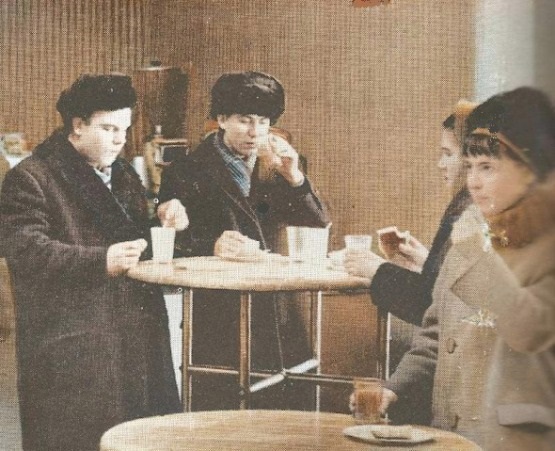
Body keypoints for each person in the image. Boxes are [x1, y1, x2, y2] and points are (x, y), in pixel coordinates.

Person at [0, 74, 188, 451]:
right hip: (73, 341)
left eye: (124, 129)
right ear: (77, 126)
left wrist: (165, 222)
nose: (119, 140)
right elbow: (26, 252)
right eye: (108, 129)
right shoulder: (31, 177)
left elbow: (134, 240)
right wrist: (100, 261)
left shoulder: (123, 173)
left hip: (132, 334)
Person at [379, 87, 555, 450]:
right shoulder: (474, 226)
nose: (472, 181)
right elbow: (436, 335)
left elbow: (528, 330)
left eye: (488, 167)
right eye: (471, 165)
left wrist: (475, 251)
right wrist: (393, 390)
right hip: (453, 435)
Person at [158, 71, 330, 409]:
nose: (255, 132)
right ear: (221, 119)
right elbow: (167, 243)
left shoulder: (278, 166)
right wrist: (211, 246)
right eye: (245, 120)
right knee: (222, 410)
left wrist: (295, 177)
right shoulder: (186, 170)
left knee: (284, 412)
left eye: (263, 122)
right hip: (219, 314)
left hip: (277, 309)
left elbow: (318, 224)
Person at [344, 101, 475, 424]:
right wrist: (427, 261)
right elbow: (440, 319)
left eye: (448, 153)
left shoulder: (473, 215)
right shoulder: (466, 215)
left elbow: (429, 305)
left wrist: (376, 271)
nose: (440, 164)